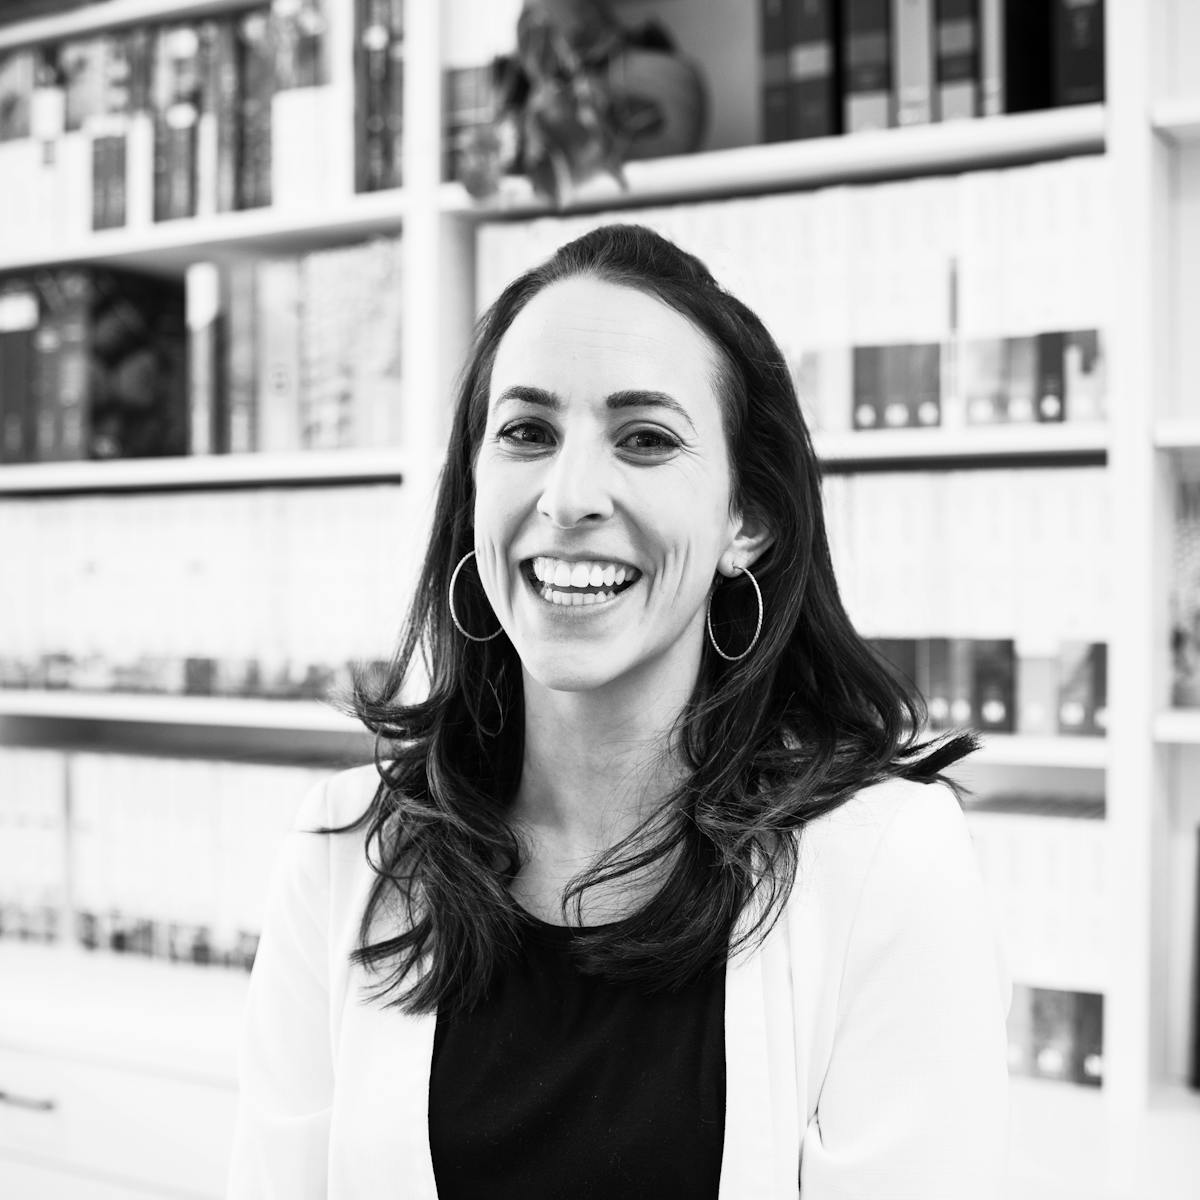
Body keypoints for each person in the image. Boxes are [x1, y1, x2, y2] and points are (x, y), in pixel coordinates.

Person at [227, 223, 1011, 1199]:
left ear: (749, 519)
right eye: (527, 433)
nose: (568, 498)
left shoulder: (887, 865)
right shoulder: (344, 852)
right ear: (473, 486)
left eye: (645, 439)